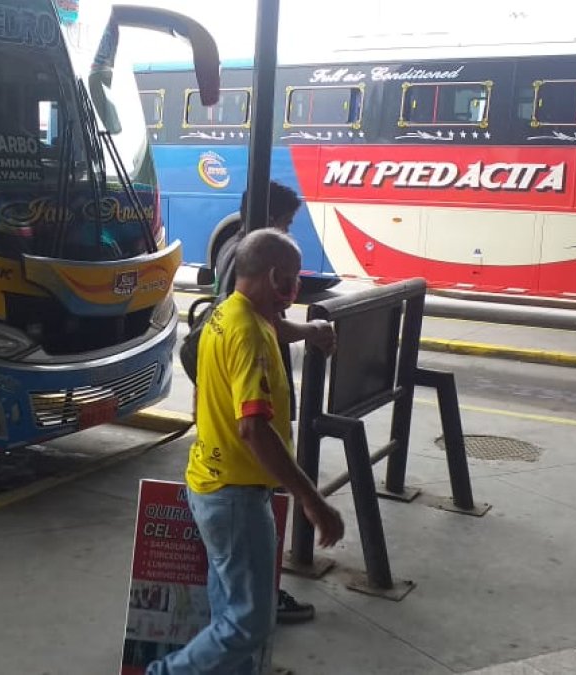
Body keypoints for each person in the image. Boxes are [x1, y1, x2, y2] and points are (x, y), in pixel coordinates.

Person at [147, 229, 345, 675]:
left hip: (212, 484)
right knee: (249, 623)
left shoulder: (230, 312)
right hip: (235, 496)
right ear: (275, 276)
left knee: (229, 608)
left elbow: (274, 326)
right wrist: (312, 501)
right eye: (292, 281)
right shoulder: (249, 335)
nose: (294, 292)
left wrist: (310, 330)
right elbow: (254, 429)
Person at [214, 181, 336, 623]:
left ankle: (253, 598)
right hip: (246, 417)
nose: (288, 233)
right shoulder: (248, 291)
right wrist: (315, 502)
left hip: (235, 422)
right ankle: (265, 598)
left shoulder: (232, 249)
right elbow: (254, 430)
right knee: (257, 510)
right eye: (284, 224)